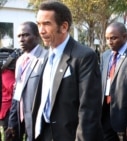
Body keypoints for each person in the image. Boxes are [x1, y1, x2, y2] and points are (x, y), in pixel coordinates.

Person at [33, 1, 103, 141]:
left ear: (64, 27)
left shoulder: (84, 56)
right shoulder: (47, 56)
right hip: (45, 134)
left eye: (47, 24)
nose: (41, 30)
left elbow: (88, 110)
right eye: (39, 24)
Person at [4, 21, 47, 141]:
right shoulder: (20, 61)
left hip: (37, 121)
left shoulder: (46, 58)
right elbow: (17, 92)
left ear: (37, 36)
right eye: (19, 36)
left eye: (26, 35)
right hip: (19, 118)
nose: (21, 39)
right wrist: (12, 123)